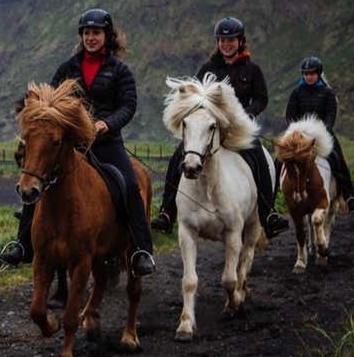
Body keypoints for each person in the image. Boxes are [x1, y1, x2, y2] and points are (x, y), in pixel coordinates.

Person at [0, 8, 156, 277]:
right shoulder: (67, 69)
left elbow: (128, 106)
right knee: (37, 179)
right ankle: (22, 244)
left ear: (107, 35)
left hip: (107, 144)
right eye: (86, 33)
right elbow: (49, 105)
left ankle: (142, 250)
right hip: (73, 146)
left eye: (96, 33)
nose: (91, 38)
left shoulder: (120, 71)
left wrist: (107, 123)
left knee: (130, 185)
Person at [151, 17, 290, 237]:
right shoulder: (208, 68)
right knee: (179, 156)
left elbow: (261, 99)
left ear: (240, 41)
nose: (226, 44)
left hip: (237, 129)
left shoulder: (252, 70)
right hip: (208, 129)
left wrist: (248, 113)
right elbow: (194, 97)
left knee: (260, 159)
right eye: (222, 40)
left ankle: (268, 213)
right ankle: (166, 213)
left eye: (231, 40)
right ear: (218, 42)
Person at [285, 56, 354, 210]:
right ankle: (274, 197)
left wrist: (324, 131)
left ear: (319, 73)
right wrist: (294, 131)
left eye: (312, 73)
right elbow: (290, 115)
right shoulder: (296, 93)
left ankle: (349, 194)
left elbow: (330, 115)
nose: (309, 76)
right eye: (306, 73)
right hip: (300, 136)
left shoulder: (328, 93)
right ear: (302, 75)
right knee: (280, 160)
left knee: (338, 160)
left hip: (322, 135)